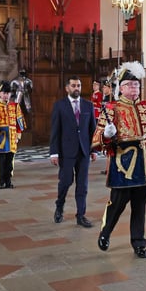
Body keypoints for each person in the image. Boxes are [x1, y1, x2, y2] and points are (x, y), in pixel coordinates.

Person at [93, 61, 146, 259]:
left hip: (145, 165)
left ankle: (139, 242)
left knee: (140, 207)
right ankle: (105, 232)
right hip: (122, 164)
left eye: (137, 85)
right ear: (121, 88)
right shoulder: (111, 108)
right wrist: (107, 135)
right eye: (130, 85)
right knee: (117, 204)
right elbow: (96, 140)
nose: (135, 88)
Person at [50, 76, 97, 228]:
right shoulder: (60, 105)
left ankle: (81, 215)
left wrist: (94, 149)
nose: (76, 88)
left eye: (78, 85)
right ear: (67, 88)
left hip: (84, 151)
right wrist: (54, 152)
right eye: (73, 85)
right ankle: (59, 207)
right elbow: (55, 131)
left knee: (82, 185)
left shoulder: (88, 105)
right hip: (66, 151)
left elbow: (92, 130)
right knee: (65, 181)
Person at [0, 81, 26, 189]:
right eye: (4, 93)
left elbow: (19, 122)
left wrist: (18, 135)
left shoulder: (15, 106)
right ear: (0, 94)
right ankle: (0, 180)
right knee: (1, 160)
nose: (6, 95)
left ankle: (8, 180)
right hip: (0, 137)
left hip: (12, 137)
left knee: (10, 161)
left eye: (8, 93)